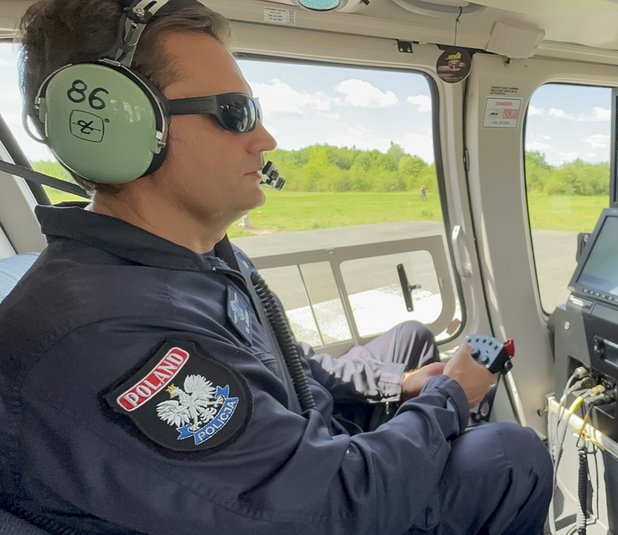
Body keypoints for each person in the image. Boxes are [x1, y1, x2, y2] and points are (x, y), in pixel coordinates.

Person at [0, 1, 552, 533]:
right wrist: (450, 400)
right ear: (125, 128)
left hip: (288, 465)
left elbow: (288, 367)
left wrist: (403, 386)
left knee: (408, 342)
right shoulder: (107, 337)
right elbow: (332, 505)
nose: (265, 140)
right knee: (513, 454)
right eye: (235, 113)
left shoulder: (199, 257)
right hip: (318, 504)